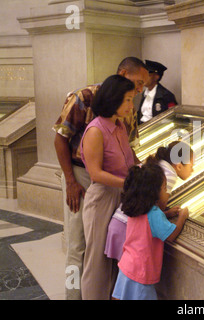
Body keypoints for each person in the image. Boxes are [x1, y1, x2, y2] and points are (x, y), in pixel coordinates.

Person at [53, 57, 148, 300]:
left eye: (140, 88)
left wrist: (142, 170)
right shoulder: (84, 98)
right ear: (122, 75)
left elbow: (127, 150)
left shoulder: (124, 114)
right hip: (80, 173)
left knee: (105, 249)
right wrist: (70, 181)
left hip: (113, 182)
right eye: (136, 84)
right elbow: (61, 139)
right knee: (79, 245)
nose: (138, 92)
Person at [80, 74, 138, 300]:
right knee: (97, 262)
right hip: (103, 198)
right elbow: (96, 173)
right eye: (127, 100)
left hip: (122, 195)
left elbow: (128, 158)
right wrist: (129, 183)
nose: (131, 106)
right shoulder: (96, 130)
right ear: (113, 99)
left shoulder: (120, 125)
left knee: (115, 257)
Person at [104, 140, 194, 261]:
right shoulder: (170, 174)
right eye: (191, 166)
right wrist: (181, 217)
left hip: (118, 222)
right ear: (178, 166)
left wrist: (166, 214)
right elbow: (160, 208)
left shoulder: (158, 164)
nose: (192, 170)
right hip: (126, 229)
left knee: (122, 270)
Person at [112, 163, 189, 300]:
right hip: (141, 273)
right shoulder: (154, 213)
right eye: (164, 188)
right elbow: (170, 235)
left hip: (127, 265)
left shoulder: (137, 207)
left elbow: (147, 224)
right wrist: (182, 218)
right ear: (153, 191)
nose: (167, 192)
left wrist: (166, 213)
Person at [137, 60, 178, 124]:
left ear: (156, 77)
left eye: (148, 75)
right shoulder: (145, 93)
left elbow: (172, 118)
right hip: (142, 128)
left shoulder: (166, 95)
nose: (144, 78)